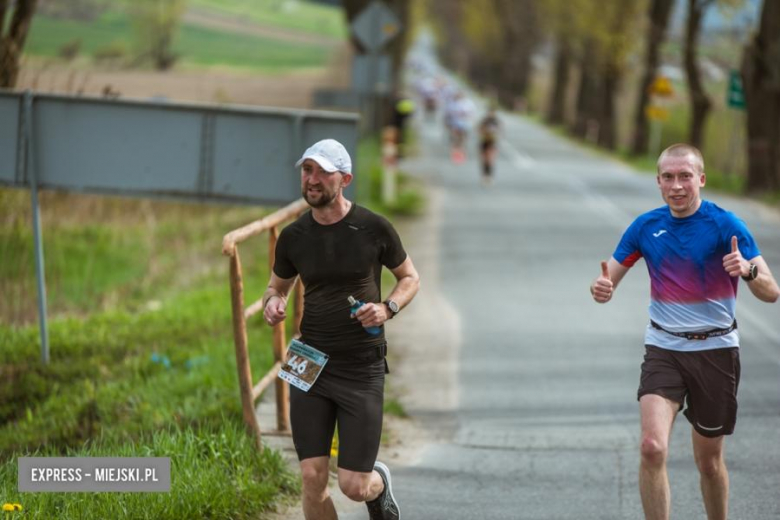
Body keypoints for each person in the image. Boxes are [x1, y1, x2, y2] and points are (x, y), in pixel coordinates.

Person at [590, 143, 779, 520]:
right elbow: (606, 279)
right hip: (664, 348)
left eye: (685, 176)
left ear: (701, 180)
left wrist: (748, 270)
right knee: (651, 447)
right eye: (669, 177)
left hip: (716, 352)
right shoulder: (645, 226)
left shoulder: (726, 225)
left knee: (708, 463)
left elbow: (772, 292)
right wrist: (601, 289)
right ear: (658, 182)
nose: (677, 185)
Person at [262, 139, 420, 520]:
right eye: (306, 170)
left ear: (345, 178)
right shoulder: (294, 237)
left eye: (321, 172)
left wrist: (387, 308)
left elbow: (410, 277)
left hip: (360, 367)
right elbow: (275, 286)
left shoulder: (373, 228)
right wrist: (272, 303)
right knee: (311, 478)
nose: (311, 179)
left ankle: (377, 483)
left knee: (353, 485)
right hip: (309, 361)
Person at [477, 108, 500, 185]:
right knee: (484, 160)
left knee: (490, 160)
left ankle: (489, 176)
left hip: (492, 142)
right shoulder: (484, 121)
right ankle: (484, 176)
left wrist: (495, 134)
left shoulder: (496, 121)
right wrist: (484, 132)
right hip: (484, 142)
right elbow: (479, 129)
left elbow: (500, 130)